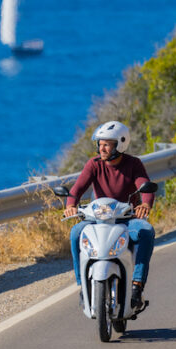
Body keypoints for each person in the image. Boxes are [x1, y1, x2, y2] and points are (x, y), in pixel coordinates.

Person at [64, 120, 155, 309]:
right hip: (96, 221)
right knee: (75, 233)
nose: (102, 148)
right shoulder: (94, 164)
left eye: (106, 144)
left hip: (126, 220)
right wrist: (71, 205)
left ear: (120, 144)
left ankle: (137, 285)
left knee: (146, 231)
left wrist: (145, 203)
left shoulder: (133, 164)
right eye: (100, 144)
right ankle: (82, 286)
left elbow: (145, 187)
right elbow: (77, 189)